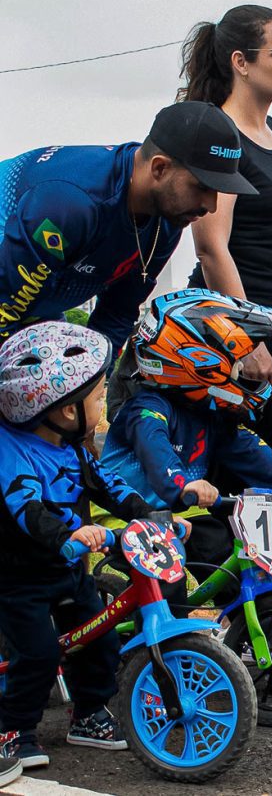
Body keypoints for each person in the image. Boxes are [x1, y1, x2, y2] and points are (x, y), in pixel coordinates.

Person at [0, 322, 190, 771]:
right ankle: (13, 728)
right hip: (19, 576)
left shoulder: (72, 447)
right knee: (39, 652)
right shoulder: (13, 451)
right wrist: (67, 536)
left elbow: (110, 486)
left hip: (67, 570)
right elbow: (26, 507)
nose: (103, 402)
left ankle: (88, 715)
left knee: (98, 638)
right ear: (67, 410)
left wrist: (152, 517)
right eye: (99, 394)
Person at [100, 290, 272, 595]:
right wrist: (182, 486)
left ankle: (243, 628)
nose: (241, 370)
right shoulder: (145, 411)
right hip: (129, 515)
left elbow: (254, 455)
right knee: (169, 588)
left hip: (183, 517)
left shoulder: (210, 414)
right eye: (234, 363)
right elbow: (157, 455)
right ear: (198, 363)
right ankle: (156, 640)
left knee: (226, 559)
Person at [0, 101, 254, 357]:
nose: (210, 206)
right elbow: (5, 308)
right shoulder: (72, 205)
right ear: (159, 168)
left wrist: (93, 380)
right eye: (202, 187)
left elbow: (118, 312)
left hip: (37, 300)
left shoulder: (166, 222)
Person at [179, 4, 272, 459]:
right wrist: (246, 341)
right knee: (236, 475)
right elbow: (210, 247)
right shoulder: (221, 133)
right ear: (241, 62)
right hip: (239, 333)